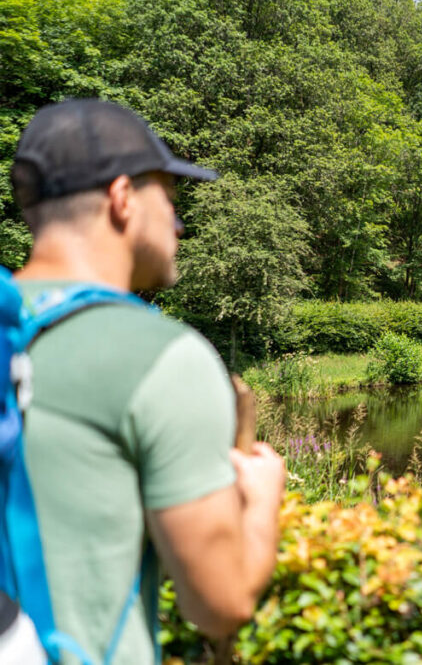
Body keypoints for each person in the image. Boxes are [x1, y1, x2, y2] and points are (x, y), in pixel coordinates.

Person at [6, 98, 286, 663]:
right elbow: (219, 604)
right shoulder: (164, 357)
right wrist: (262, 497)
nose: (180, 224)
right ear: (123, 197)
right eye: (172, 201)